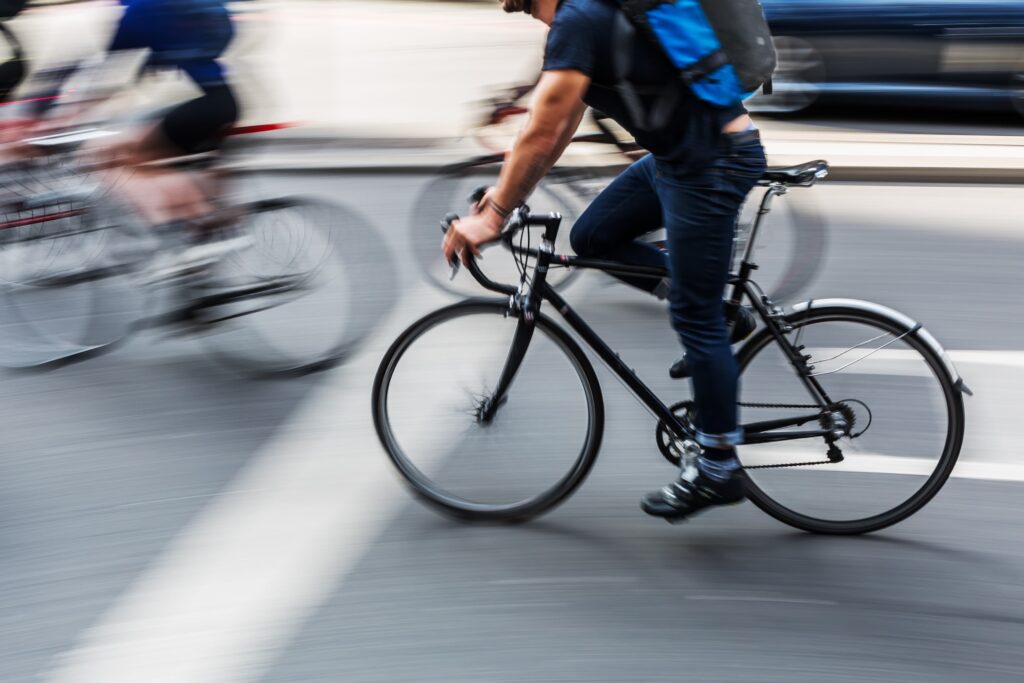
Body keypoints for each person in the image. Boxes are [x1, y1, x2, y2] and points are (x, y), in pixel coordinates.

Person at [442, 0, 768, 522]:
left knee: (695, 318)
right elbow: (556, 126)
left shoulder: (579, 19)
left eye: (521, 5)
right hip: (679, 160)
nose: (521, 13)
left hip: (712, 165)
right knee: (594, 236)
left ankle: (718, 466)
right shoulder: (584, 20)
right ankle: (726, 315)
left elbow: (542, 132)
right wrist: (504, 198)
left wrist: (497, 214)